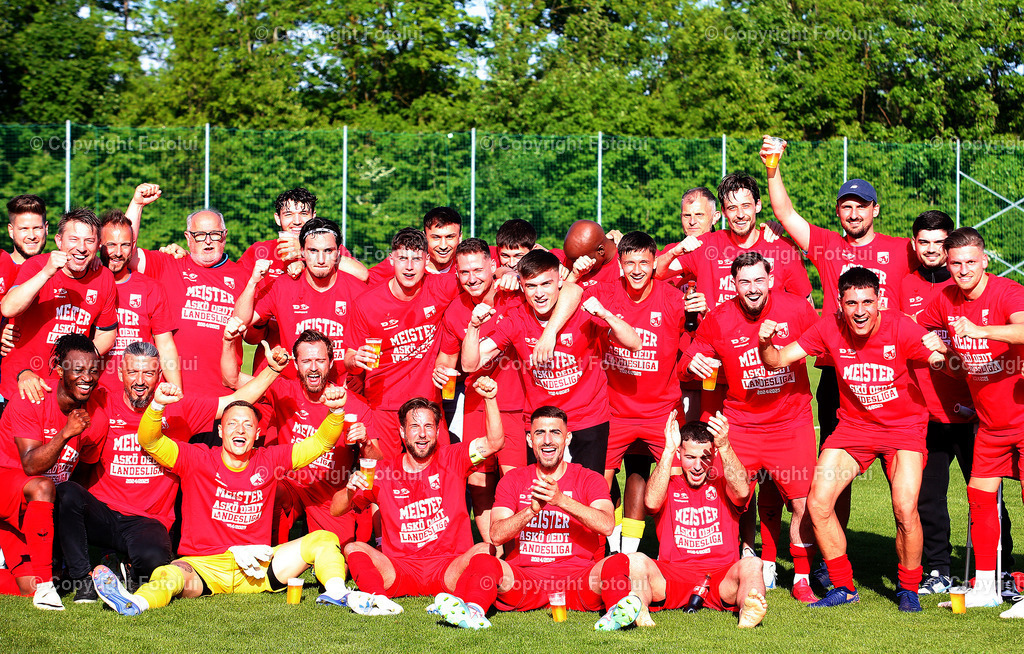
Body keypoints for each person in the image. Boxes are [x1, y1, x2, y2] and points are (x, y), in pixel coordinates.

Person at [759, 266, 954, 611]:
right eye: (852, 303)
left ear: (880, 301)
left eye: (867, 301)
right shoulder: (829, 326)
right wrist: (765, 343)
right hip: (854, 429)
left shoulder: (901, 327)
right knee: (818, 503)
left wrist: (941, 351)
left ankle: (908, 587)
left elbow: (945, 363)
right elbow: (777, 361)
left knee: (905, 508)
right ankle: (844, 586)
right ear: (840, 303)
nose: (860, 310)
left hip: (903, 429)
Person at [90, 381, 363, 615]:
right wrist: (158, 405)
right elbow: (150, 441)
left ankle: (338, 593)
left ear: (258, 434)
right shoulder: (196, 459)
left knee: (324, 538)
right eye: (232, 423)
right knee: (169, 573)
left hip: (258, 567)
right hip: (205, 567)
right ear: (220, 431)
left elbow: (320, 444)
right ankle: (135, 602)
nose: (240, 430)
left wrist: (336, 411)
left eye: (248, 425)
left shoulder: (270, 459)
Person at [61, 339, 290, 602]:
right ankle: (83, 580)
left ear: (159, 375)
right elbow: (67, 384)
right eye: (133, 372)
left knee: (156, 564)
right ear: (121, 373)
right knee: (66, 493)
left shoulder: (179, 408)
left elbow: (237, 399)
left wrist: (272, 369)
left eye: (148, 373)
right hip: (104, 510)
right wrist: (26, 375)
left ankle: (119, 565)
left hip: (148, 520)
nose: (139, 380)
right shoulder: (102, 401)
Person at [683, 251, 820, 602]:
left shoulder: (797, 309)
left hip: (791, 422)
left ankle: (802, 577)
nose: (753, 288)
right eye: (745, 282)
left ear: (770, 280)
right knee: (735, 498)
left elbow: (827, 344)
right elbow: (690, 361)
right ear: (734, 285)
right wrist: (693, 362)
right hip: (741, 424)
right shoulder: (718, 318)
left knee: (804, 502)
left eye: (759, 280)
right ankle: (740, 562)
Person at [331, 379, 506, 627]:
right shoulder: (383, 471)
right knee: (354, 548)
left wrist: (490, 399)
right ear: (402, 432)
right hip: (400, 569)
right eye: (414, 427)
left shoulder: (453, 457)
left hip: (449, 568)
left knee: (486, 550)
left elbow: (495, 442)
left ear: (437, 431)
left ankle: (471, 610)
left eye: (428, 426)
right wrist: (349, 491)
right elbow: (335, 509)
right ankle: (378, 601)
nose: (422, 434)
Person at [900, 213, 1013, 595]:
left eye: (970, 261)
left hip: (1016, 418)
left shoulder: (1007, 291)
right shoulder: (944, 298)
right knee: (977, 501)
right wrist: (938, 350)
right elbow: (916, 330)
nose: (963, 270)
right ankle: (983, 584)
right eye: (956, 263)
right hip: (986, 424)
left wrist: (981, 330)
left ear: (985, 260)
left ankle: (1008, 575)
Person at [462, 249, 641, 474]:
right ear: (522, 286)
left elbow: (634, 343)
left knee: (587, 494)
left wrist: (605, 315)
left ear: (559, 282)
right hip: (541, 422)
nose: (539, 293)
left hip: (587, 418)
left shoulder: (582, 311)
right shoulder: (518, 319)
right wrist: (474, 326)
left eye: (546, 284)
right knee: (541, 499)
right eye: (531, 286)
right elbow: (470, 364)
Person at [488, 405, 647, 631]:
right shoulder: (513, 479)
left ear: (568, 438)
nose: (547, 440)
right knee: (483, 560)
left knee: (616, 562)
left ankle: (616, 611)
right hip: (525, 580)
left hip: (579, 581)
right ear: (529, 439)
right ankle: (471, 610)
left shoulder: (589, 478)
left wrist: (561, 500)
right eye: (539, 433)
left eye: (555, 432)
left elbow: (607, 525)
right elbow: (495, 535)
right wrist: (531, 511)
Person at [221, 327, 378, 547]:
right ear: (296, 364)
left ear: (331, 363)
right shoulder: (284, 390)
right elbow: (232, 379)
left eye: (320, 360)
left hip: (329, 494)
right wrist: (229, 340)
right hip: (291, 483)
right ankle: (270, 553)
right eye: (306, 361)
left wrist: (366, 441)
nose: (313, 368)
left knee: (341, 560)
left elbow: (377, 460)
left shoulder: (353, 404)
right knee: (267, 489)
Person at [592, 231, 686, 555]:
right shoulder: (604, 293)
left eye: (643, 262)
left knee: (675, 485)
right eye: (629, 262)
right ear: (619, 263)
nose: (636, 269)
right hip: (613, 409)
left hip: (662, 412)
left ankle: (675, 557)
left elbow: (694, 339)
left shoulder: (674, 299)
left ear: (655, 262)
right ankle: (602, 551)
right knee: (594, 484)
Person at [0, 334, 109, 610]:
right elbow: (30, 465)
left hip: (39, 514)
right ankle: (47, 588)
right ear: (60, 370)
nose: (88, 377)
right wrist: (65, 434)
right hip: (8, 492)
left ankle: (41, 583)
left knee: (28, 587)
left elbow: (81, 477)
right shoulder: (31, 397)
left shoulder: (96, 416)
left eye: (94, 370)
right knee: (43, 486)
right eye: (78, 370)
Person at [633, 413, 768, 628]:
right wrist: (668, 452)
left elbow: (743, 492)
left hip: (721, 576)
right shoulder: (668, 482)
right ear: (680, 454)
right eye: (690, 457)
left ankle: (748, 611)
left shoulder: (724, 483)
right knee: (636, 560)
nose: (697, 466)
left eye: (704, 458)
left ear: (713, 455)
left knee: (753, 564)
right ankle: (638, 607)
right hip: (673, 576)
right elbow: (650, 503)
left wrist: (724, 446)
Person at [126, 199, 248, 397]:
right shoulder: (169, 264)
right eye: (200, 235)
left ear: (224, 236)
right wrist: (137, 204)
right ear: (188, 237)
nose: (208, 241)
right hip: (171, 392)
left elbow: (255, 334)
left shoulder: (243, 276)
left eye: (215, 234)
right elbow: (125, 252)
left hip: (222, 396)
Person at [0, 208, 118, 407]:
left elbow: (107, 333)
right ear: (58, 240)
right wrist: (47, 272)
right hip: (23, 386)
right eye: (73, 239)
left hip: (67, 392)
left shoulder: (104, 277)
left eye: (89, 241)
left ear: (98, 245)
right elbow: (8, 308)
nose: (81, 247)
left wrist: (79, 364)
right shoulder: (37, 266)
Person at [232, 217, 367, 381]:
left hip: (341, 391)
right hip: (295, 393)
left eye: (328, 251)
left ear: (338, 253)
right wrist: (253, 282)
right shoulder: (282, 286)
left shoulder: (358, 291)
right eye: (313, 251)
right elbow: (239, 321)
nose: (321, 259)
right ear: (302, 252)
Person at [657, 173, 812, 308]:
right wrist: (673, 253)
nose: (740, 214)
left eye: (745, 206)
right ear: (723, 211)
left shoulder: (784, 248)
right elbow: (656, 273)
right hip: (716, 340)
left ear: (757, 205)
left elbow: (806, 305)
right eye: (732, 208)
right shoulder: (705, 245)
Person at [97, 209, 181, 390]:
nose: (118, 252)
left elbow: (165, 345)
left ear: (133, 246)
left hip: (141, 391)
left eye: (125, 245)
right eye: (111, 244)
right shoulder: (86, 285)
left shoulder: (151, 288)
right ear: (98, 244)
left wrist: (176, 390)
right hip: (98, 392)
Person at [366, 207, 463, 285]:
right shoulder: (403, 262)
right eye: (436, 237)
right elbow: (366, 278)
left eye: (450, 237)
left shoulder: (467, 266)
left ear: (460, 237)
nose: (443, 245)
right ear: (424, 237)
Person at [561, 220, 622, 287]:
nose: (575, 265)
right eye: (572, 261)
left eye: (577, 260)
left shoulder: (626, 265)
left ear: (601, 251)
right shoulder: (568, 258)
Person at [6, 194, 48, 266]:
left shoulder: (57, 270)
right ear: (11, 231)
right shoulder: (2, 269)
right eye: (24, 229)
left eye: (37, 228)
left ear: (46, 228)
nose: (31, 236)